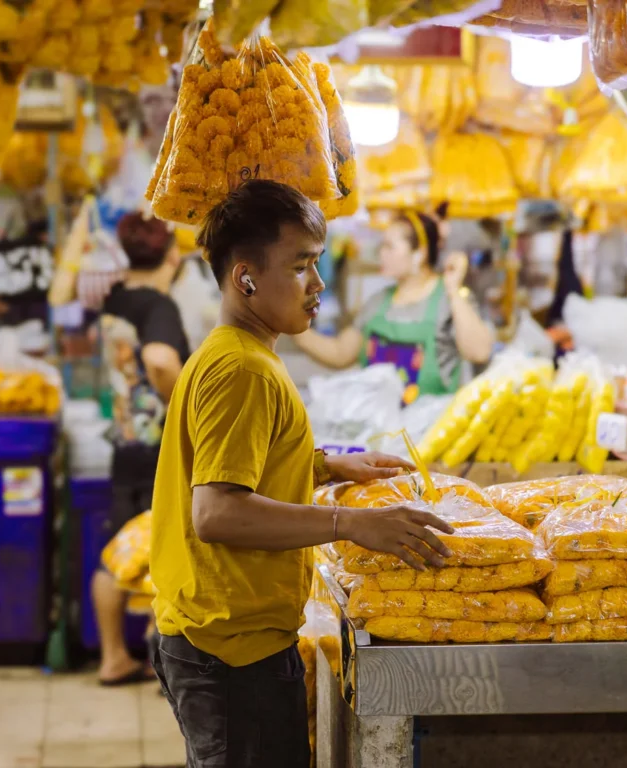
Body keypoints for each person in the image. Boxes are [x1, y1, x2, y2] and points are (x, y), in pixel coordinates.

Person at [149, 180, 454, 768]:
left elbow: (242, 469)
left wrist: (327, 466)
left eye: (317, 264)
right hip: (229, 651)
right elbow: (217, 512)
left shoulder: (238, 353)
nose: (319, 285)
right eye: (302, 267)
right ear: (246, 278)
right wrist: (350, 523)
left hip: (219, 635)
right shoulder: (244, 370)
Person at [93, 211, 190, 686]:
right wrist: (188, 407)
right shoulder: (158, 306)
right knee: (165, 553)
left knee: (117, 551)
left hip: (125, 443)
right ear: (174, 255)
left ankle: (113, 656)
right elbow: (158, 359)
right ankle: (165, 663)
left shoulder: (114, 300)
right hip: (159, 452)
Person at [294, 210, 495, 404]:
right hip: (380, 428)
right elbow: (340, 353)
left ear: (420, 254)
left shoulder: (449, 298)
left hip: (429, 431)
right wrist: (293, 327)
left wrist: (453, 288)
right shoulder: (379, 301)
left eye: (389, 247)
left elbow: (479, 352)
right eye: (382, 246)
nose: (381, 253)